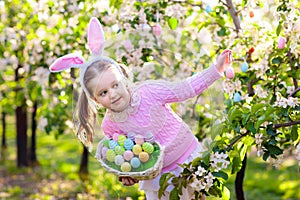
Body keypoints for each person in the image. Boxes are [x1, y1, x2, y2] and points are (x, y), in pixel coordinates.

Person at [49, 17, 233, 199]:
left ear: (123, 77)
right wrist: (129, 174)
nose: (112, 94)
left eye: (115, 85)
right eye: (103, 92)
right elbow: (129, 155)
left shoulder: (150, 91)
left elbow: (185, 88)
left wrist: (215, 70)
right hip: (158, 179)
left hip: (188, 158)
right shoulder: (110, 126)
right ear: (95, 99)